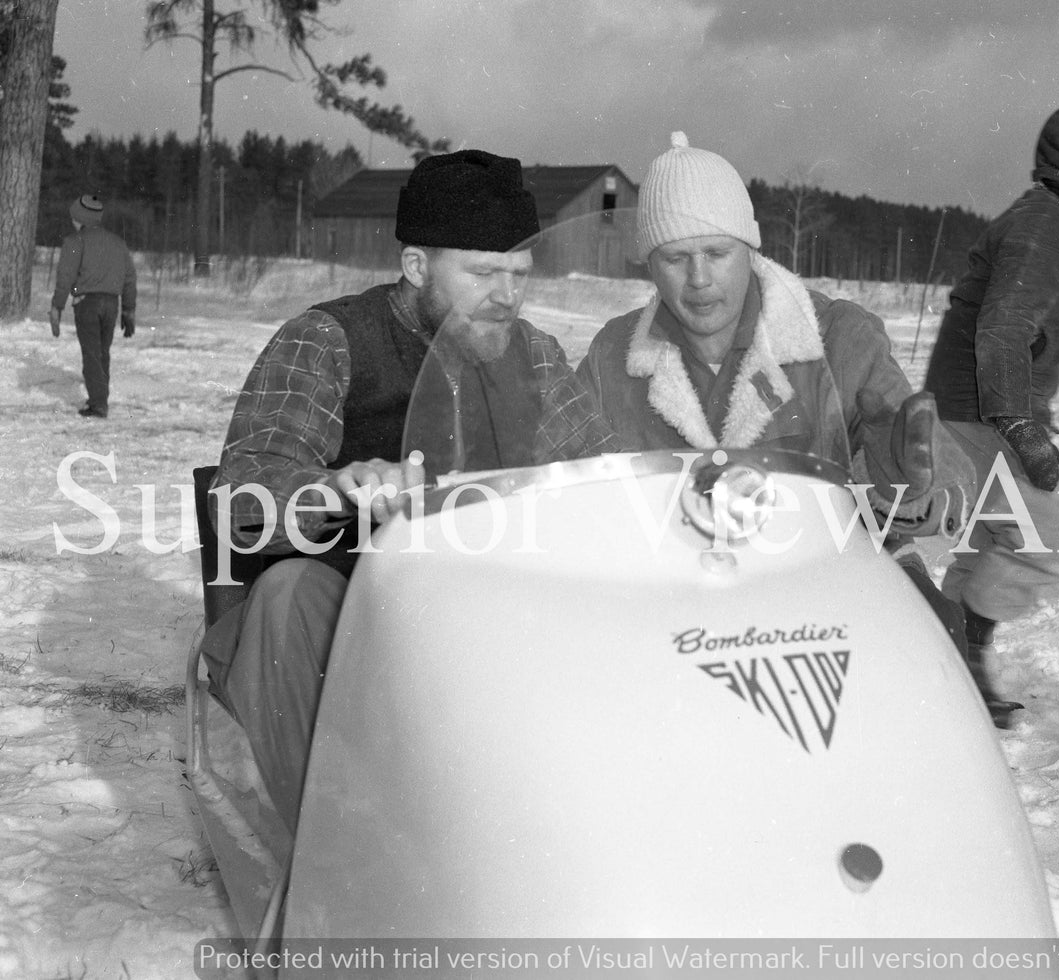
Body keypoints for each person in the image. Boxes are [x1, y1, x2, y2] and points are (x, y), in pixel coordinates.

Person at [200, 149, 615, 837]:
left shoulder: (534, 355)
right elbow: (243, 497)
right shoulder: (328, 342)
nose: (507, 296)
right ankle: (329, 852)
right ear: (417, 266)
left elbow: (600, 480)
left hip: (490, 612)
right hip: (352, 619)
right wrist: (337, 489)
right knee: (287, 593)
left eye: (519, 273)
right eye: (481, 273)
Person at [578, 131, 971, 591]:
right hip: (671, 596)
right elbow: (562, 492)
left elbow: (952, 488)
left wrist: (903, 485)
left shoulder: (837, 338)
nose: (699, 278)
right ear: (649, 264)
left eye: (717, 253)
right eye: (675, 258)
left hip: (827, 589)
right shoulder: (613, 356)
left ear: (750, 249)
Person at [922, 101, 1059, 727]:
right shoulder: (1048, 224)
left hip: (979, 406)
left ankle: (946, 663)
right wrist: (1017, 423)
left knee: (994, 540)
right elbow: (1006, 325)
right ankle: (961, 659)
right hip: (980, 410)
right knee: (1043, 536)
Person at [49, 194, 137, 418]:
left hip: (87, 303)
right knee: (102, 353)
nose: (72, 221)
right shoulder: (117, 243)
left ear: (80, 218)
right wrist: (128, 310)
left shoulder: (75, 242)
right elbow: (129, 278)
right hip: (112, 304)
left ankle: (98, 403)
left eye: (74, 217)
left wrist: (57, 306)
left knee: (91, 354)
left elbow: (65, 276)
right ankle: (100, 398)